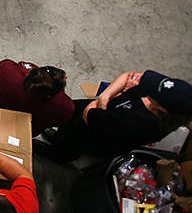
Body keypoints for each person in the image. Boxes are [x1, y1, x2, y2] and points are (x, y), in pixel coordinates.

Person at [37, 70, 192, 163]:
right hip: (104, 108)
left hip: (98, 131)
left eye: (154, 96)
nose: (148, 90)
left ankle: (56, 154)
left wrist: (117, 95)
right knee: (70, 113)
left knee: (74, 140)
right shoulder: (160, 90)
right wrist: (107, 96)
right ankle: (58, 138)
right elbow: (127, 76)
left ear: (163, 109)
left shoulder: (139, 125)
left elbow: (89, 114)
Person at [0, 59, 75, 136]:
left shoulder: (8, 74)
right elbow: (58, 122)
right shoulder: (64, 108)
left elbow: (4, 64)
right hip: (23, 132)